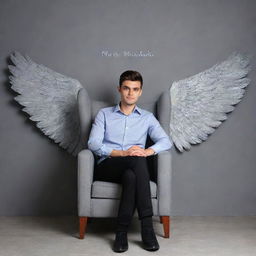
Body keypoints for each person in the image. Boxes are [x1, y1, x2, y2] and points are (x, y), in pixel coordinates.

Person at [87, 70, 173, 252]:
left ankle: (121, 232)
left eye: (135, 89)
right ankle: (147, 227)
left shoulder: (147, 118)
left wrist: (147, 151)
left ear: (140, 91)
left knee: (131, 176)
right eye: (126, 88)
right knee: (135, 159)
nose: (130, 93)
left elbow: (166, 141)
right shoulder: (104, 114)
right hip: (108, 165)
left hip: (134, 166)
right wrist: (122, 153)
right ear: (119, 89)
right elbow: (93, 144)